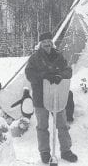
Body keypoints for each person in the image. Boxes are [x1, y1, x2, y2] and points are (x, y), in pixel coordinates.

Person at [25, 32, 78, 163]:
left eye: (49, 41)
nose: (47, 44)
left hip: (57, 95)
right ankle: (44, 152)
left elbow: (68, 71)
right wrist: (44, 75)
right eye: (44, 42)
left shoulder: (59, 56)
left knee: (62, 125)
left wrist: (60, 76)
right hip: (40, 97)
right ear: (40, 44)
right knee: (42, 126)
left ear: (52, 42)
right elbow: (29, 74)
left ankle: (66, 151)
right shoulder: (34, 58)